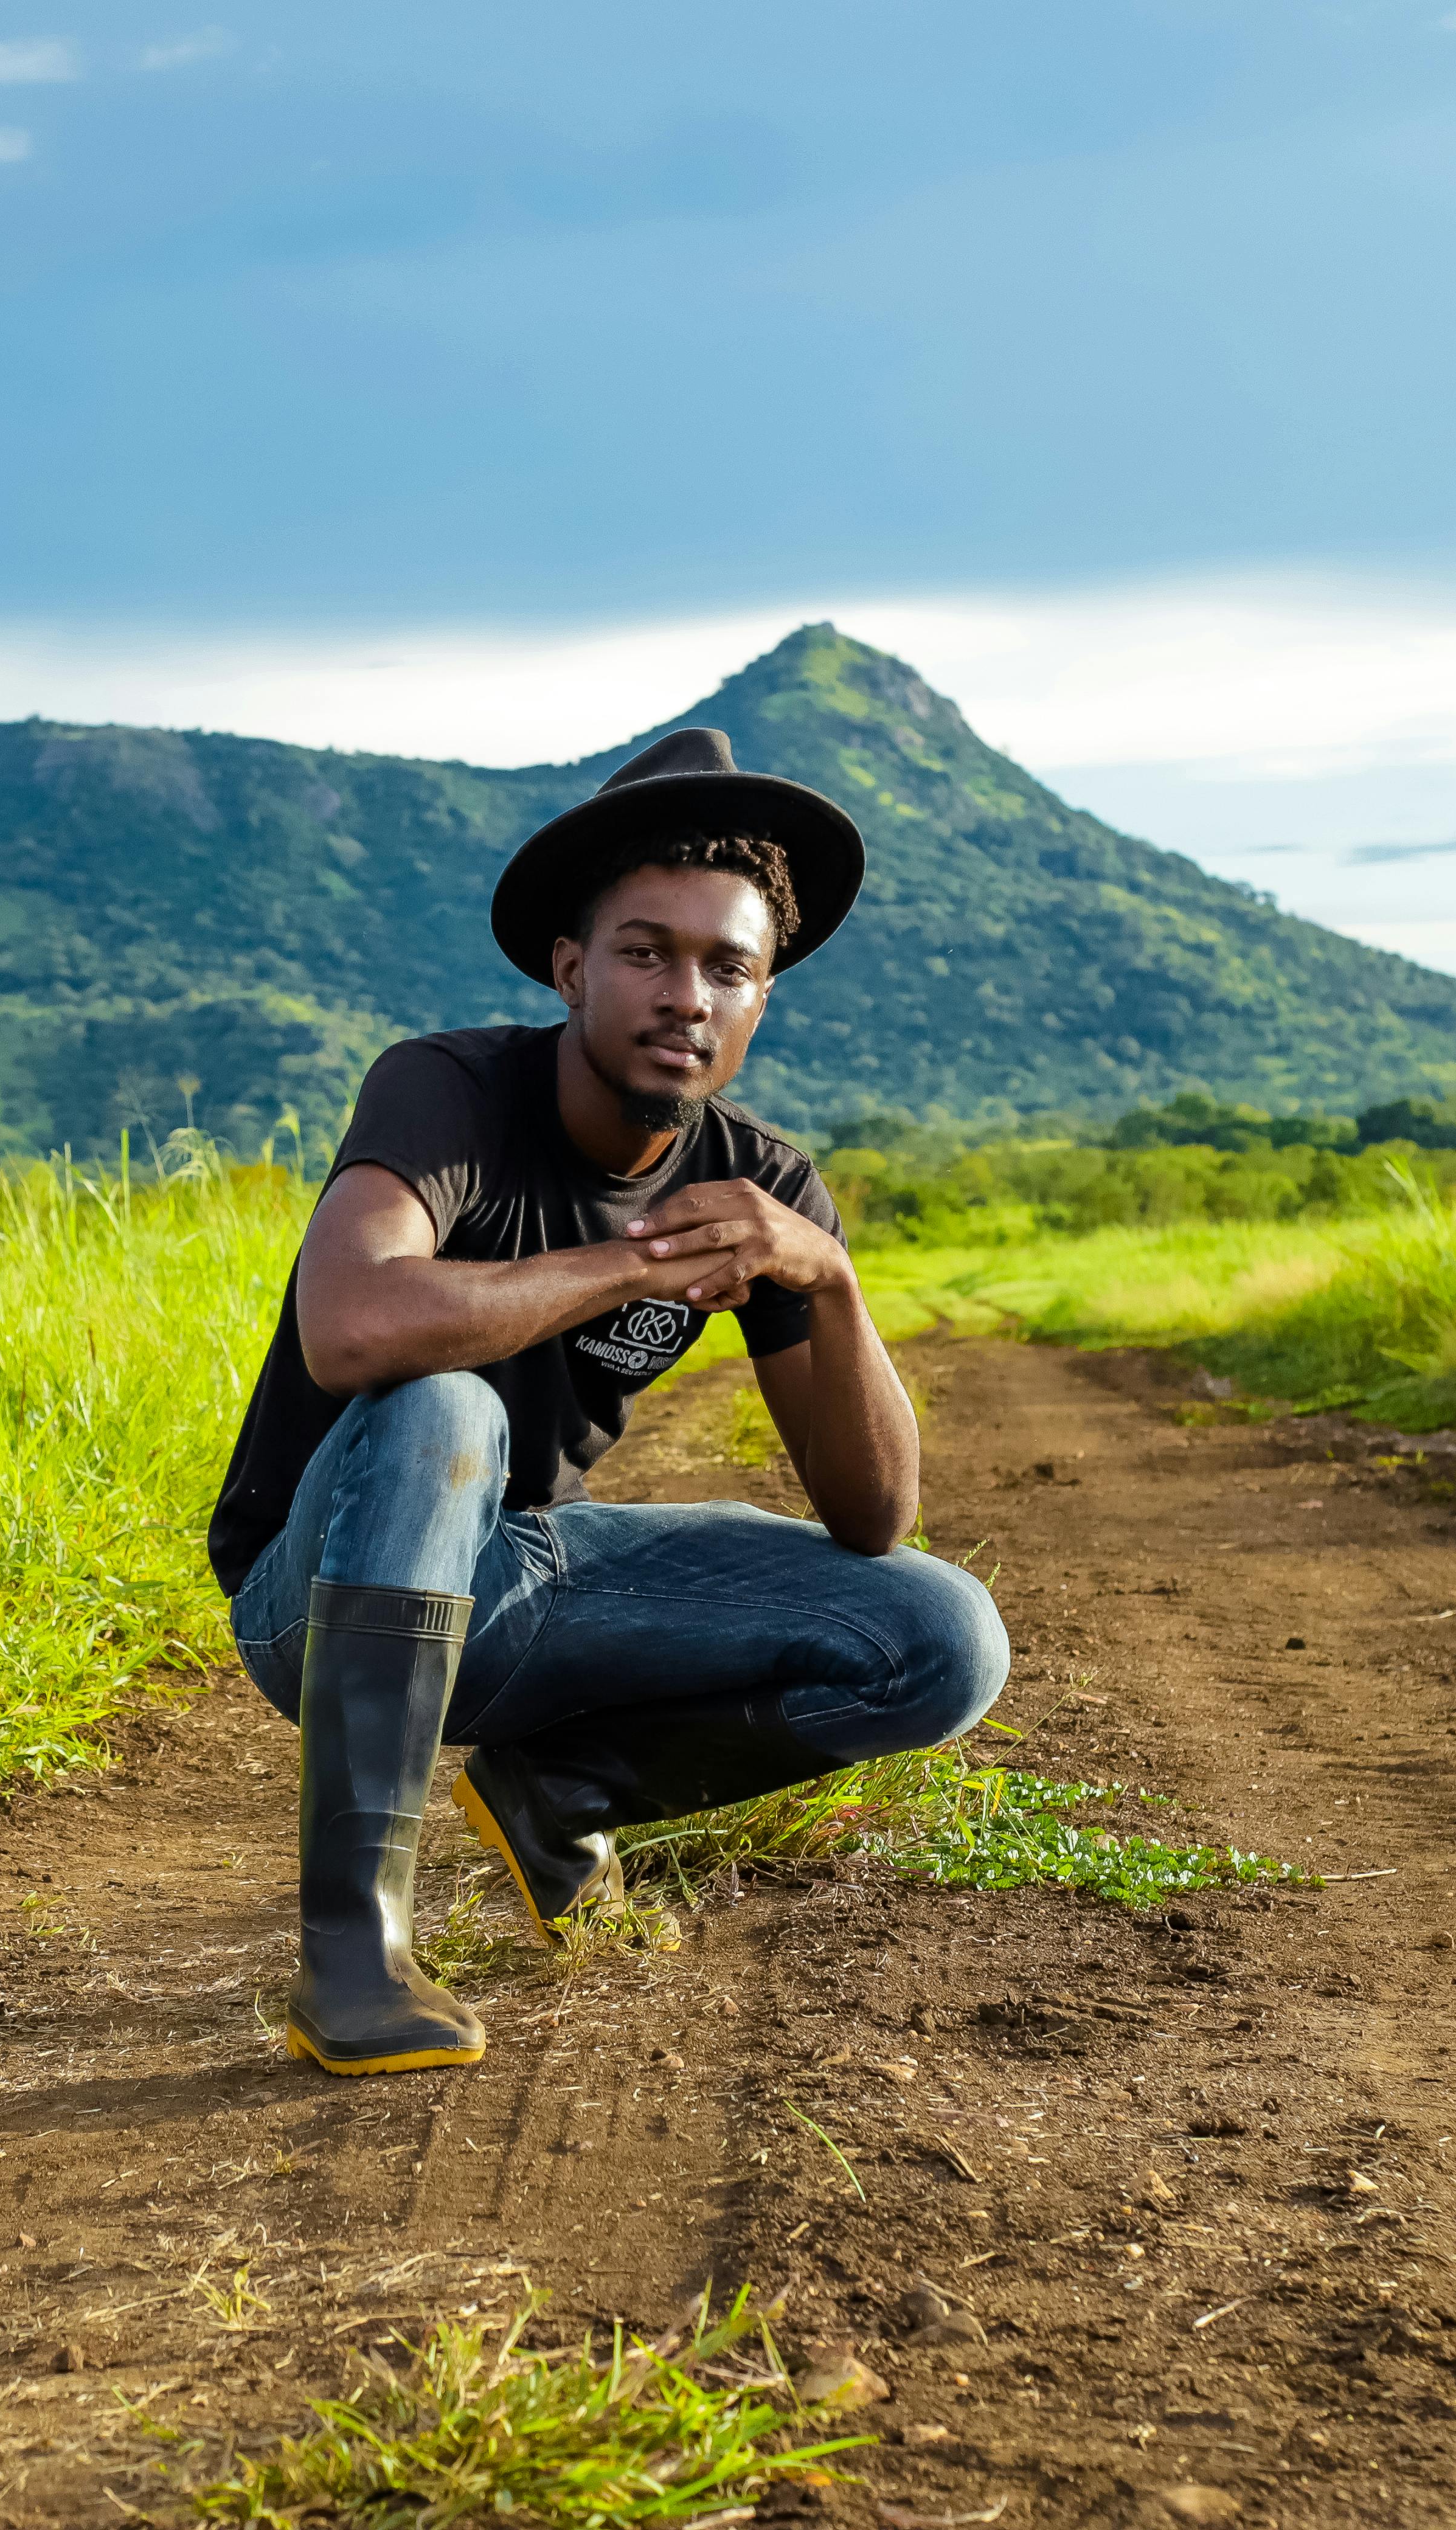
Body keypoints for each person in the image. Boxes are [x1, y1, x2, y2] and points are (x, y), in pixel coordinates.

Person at [207, 725, 1012, 2076]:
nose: (686, 994)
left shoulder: (765, 1182)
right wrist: (625, 1264)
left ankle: (562, 1792)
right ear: (572, 968)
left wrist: (831, 1279)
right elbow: (351, 1328)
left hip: (516, 1576)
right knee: (442, 1402)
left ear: (762, 1000)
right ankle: (356, 1949)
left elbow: (872, 1513)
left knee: (942, 1634)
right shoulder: (450, 1090)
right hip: (320, 1587)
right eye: (646, 952)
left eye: (727, 966)